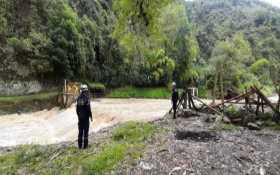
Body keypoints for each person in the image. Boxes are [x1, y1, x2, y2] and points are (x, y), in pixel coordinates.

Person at [76, 84, 93, 149]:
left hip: (80, 118)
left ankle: (79, 146)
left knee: (80, 132)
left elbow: (77, 109)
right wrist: (90, 116)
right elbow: (88, 109)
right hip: (86, 118)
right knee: (85, 132)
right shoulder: (87, 98)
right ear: (86, 91)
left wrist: (79, 116)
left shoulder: (78, 98)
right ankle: (85, 146)